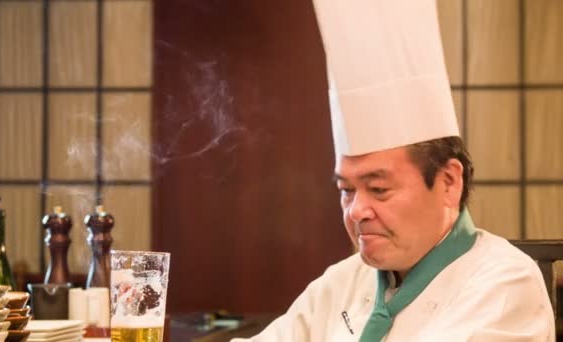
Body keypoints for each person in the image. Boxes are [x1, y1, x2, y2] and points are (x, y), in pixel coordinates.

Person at [231, 0, 555, 341]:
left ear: (449, 182)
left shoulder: (506, 284)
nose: (356, 210)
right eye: (346, 190)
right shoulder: (341, 281)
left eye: (379, 189)